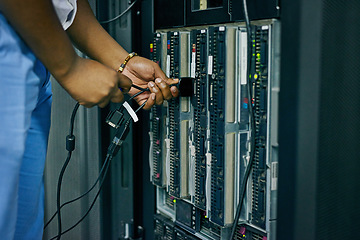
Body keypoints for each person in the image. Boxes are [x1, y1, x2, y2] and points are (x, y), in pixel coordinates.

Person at [0, 0, 178, 239]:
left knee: (20, 224)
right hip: (11, 46)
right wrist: (70, 68)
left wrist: (121, 63)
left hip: (33, 53)